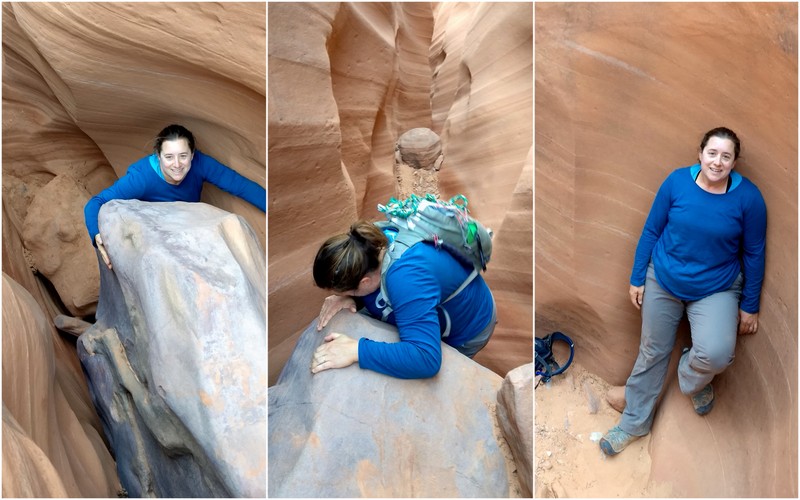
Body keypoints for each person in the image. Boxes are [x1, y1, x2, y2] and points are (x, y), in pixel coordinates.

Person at [600, 127, 767, 456]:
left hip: (716, 286)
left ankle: (694, 379)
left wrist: (750, 304)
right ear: (700, 153)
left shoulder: (749, 199)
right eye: (712, 153)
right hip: (663, 277)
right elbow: (651, 230)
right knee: (652, 350)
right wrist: (637, 277)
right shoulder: (676, 182)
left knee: (716, 352)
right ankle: (634, 422)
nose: (717, 162)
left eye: (726, 156)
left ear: (735, 162)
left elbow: (754, 253)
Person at [310, 220, 497, 379]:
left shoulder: (406, 279)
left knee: (450, 378)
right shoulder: (366, 243)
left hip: (468, 326)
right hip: (427, 293)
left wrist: (356, 350)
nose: (340, 294)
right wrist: (351, 297)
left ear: (365, 281)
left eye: (346, 290)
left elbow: (425, 359)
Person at [84, 124, 266, 269]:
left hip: (187, 225)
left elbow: (240, 185)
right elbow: (95, 202)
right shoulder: (142, 179)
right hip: (153, 235)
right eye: (169, 157)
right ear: (158, 156)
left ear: (192, 155)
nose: (177, 164)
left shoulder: (201, 164)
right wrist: (96, 236)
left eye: (183, 156)